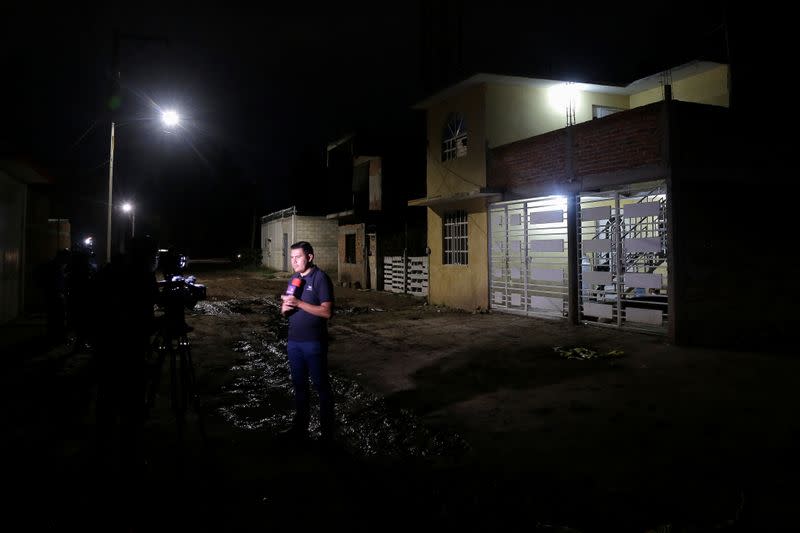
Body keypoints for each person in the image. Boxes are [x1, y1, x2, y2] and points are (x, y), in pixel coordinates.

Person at [92, 235, 159, 479]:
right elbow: (143, 312)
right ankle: (130, 460)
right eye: (153, 256)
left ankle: (103, 455)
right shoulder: (140, 275)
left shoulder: (110, 271)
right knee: (131, 406)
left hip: (106, 349)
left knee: (107, 403)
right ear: (144, 255)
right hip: (128, 351)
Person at [280, 241, 335, 441]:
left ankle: (327, 433)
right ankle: (300, 428)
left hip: (314, 344)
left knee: (321, 387)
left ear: (309, 257)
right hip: (294, 342)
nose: (294, 262)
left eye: (298, 257)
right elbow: (285, 310)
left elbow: (327, 311)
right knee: (299, 386)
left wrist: (299, 303)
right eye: (292, 257)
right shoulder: (294, 279)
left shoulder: (321, 278)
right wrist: (285, 307)